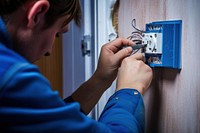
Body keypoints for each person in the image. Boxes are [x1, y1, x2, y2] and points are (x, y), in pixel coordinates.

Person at [0, 0, 153, 132]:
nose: (49, 51)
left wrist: (99, 79)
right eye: (57, 33)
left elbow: (49, 121)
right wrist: (129, 91)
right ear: (37, 13)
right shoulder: (11, 78)